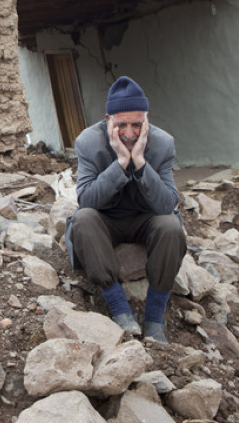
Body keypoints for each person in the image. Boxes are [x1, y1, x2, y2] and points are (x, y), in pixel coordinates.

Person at [64, 76, 186, 344]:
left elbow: (167, 204)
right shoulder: (88, 142)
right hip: (106, 219)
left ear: (147, 120)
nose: (130, 134)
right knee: (82, 219)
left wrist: (140, 162)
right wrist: (120, 162)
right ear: (108, 120)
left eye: (136, 125)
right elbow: (87, 200)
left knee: (170, 226)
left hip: (147, 219)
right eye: (121, 125)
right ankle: (120, 310)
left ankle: (154, 320)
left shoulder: (163, 143)